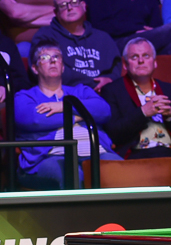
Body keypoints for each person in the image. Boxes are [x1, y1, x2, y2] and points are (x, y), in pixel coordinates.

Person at [16, 40, 120, 189]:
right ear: (35, 68)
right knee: (73, 175)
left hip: (97, 152)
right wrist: (79, 115)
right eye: (45, 57)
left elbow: (104, 110)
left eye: (56, 57)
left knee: (125, 174)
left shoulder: (81, 91)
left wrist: (62, 106)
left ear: (63, 67)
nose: (52, 61)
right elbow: (35, 120)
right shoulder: (25, 97)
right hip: (49, 157)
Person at [100, 37, 171, 159]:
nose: (141, 61)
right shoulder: (112, 90)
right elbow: (113, 135)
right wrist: (143, 112)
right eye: (134, 57)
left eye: (146, 56)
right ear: (125, 64)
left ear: (154, 62)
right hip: (137, 155)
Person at [31, 0, 120, 89]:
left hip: (102, 92)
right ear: (56, 13)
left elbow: (116, 68)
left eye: (74, 2)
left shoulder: (103, 38)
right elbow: (44, 71)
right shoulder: (45, 36)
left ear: (83, 5)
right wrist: (91, 85)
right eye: (63, 5)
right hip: (63, 93)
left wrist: (110, 79)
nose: (69, 8)